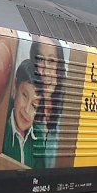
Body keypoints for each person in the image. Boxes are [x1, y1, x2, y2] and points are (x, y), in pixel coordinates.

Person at [1, 59, 44, 168]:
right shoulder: (1, 129)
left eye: (34, 105)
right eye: (24, 96)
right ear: (15, 87)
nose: (26, 110)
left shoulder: (38, 138)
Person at [31, 40, 66, 168]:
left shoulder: (66, 118)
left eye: (51, 61)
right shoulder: (25, 110)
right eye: (40, 60)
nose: (45, 72)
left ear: (59, 68)